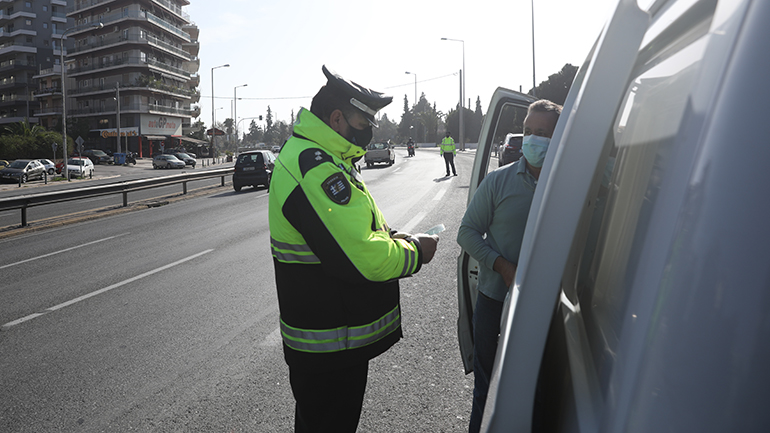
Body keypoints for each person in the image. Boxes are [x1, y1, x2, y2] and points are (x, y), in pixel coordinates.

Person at [268, 65, 440, 433]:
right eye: (364, 123)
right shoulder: (314, 167)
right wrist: (415, 252)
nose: (370, 132)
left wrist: (393, 235)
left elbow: (352, 230)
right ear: (336, 119)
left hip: (330, 340)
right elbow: (362, 258)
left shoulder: (324, 156)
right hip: (329, 346)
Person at [456, 99, 562, 433]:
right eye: (528, 131)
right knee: (486, 388)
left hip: (548, 307)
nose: (532, 139)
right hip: (494, 300)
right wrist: (501, 266)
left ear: (560, 136)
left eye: (542, 133)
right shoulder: (498, 182)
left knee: (539, 391)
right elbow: (466, 232)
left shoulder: (568, 186)